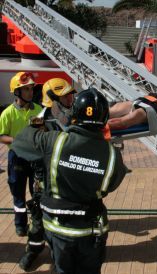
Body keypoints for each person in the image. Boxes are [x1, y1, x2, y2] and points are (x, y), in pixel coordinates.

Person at [12, 88, 127, 274]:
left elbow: (20, 142)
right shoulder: (112, 154)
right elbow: (110, 186)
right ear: (105, 118)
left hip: (59, 230)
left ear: (73, 114)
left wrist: (37, 122)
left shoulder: (52, 141)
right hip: (92, 231)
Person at [16, 78, 76, 271]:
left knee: (68, 220)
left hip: (67, 180)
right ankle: (33, 251)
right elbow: (28, 150)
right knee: (38, 221)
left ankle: (64, 252)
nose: (71, 97)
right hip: (45, 182)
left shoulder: (72, 117)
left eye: (70, 94)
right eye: (66, 95)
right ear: (53, 99)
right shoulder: (39, 122)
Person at [0, 72, 42, 236]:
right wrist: (17, 140)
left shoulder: (38, 110)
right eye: (26, 89)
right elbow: (1, 135)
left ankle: (38, 222)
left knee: (37, 192)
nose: (31, 92)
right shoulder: (8, 113)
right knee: (18, 194)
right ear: (17, 92)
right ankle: (20, 224)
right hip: (16, 158)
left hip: (35, 157)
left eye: (31, 88)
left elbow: (40, 131)